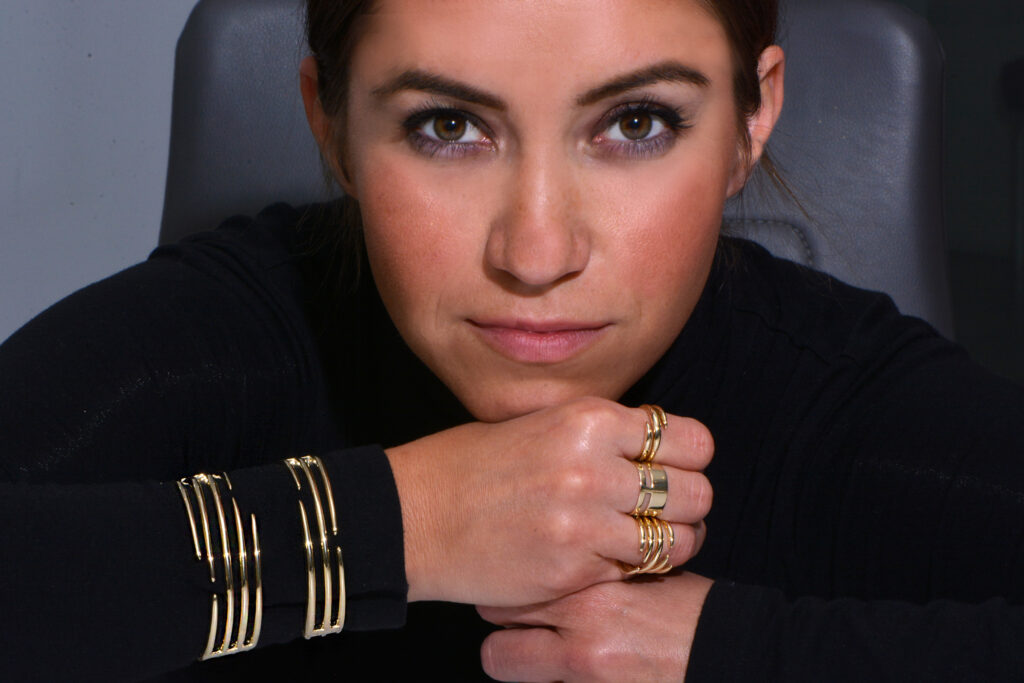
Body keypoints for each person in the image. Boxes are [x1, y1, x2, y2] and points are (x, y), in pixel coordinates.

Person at [2, 0, 1024, 681]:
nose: (536, 253)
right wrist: (408, 522)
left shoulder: (835, 392)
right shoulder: (235, 328)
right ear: (331, 124)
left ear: (752, 122)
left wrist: (734, 649)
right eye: (447, 125)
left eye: (636, 122)